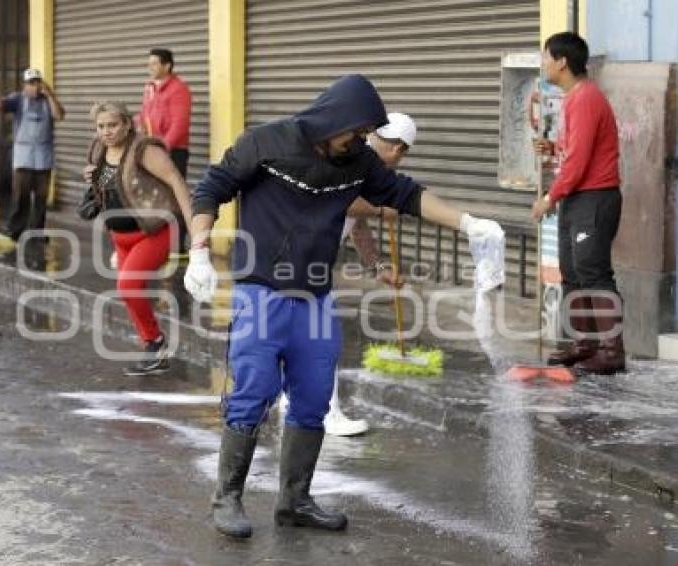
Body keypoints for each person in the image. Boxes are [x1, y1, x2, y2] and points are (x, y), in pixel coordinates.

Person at [184, 74, 502, 539]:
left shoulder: (358, 160)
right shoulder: (267, 141)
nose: (359, 143)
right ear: (335, 118)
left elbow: (406, 194)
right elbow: (212, 188)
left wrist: (469, 223)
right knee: (254, 389)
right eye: (355, 133)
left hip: (314, 296)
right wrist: (198, 248)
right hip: (260, 290)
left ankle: (294, 501)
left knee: (313, 397)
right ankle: (227, 497)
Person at [530, 32, 624, 375]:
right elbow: (574, 154)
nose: (543, 64)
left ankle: (611, 351)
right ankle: (584, 345)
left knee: (593, 273)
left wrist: (548, 198)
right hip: (576, 198)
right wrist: (553, 150)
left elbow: (580, 162)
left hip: (595, 198)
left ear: (561, 62)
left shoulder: (585, 98)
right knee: (572, 272)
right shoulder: (573, 98)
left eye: (545, 57)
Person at [322, 112, 417, 437]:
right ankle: (327, 411)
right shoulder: (356, 162)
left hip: (305, 256)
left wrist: (377, 265)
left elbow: (356, 224)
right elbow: (337, 200)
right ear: (397, 149)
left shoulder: (361, 164)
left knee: (299, 331)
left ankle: (290, 397)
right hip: (297, 255)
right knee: (324, 335)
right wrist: (380, 208)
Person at [80, 102, 192, 376]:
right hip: (121, 236)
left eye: (113, 125)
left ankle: (155, 343)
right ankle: (153, 347)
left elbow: (177, 181)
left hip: (155, 231)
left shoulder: (144, 150)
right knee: (129, 290)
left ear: (128, 124)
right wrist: (91, 181)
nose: (106, 132)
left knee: (128, 284)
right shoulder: (99, 149)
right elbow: (109, 186)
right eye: (101, 126)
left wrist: (197, 231)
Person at [0, 68, 65, 241]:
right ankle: (15, 229)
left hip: (43, 158)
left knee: (41, 198)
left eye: (37, 82)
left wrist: (50, 95)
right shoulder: (18, 99)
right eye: (31, 83)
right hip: (23, 158)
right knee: (21, 196)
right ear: (24, 85)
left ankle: (37, 232)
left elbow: (59, 115)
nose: (34, 87)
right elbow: (1, 105)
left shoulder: (48, 100)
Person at [137, 48, 192, 258]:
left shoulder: (179, 89)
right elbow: (144, 115)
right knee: (156, 198)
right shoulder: (150, 87)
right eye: (148, 63)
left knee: (175, 198)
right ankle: (159, 244)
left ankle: (177, 247)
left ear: (167, 66)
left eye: (154, 64)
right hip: (153, 150)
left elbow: (180, 124)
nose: (149, 67)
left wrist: (163, 149)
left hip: (173, 152)